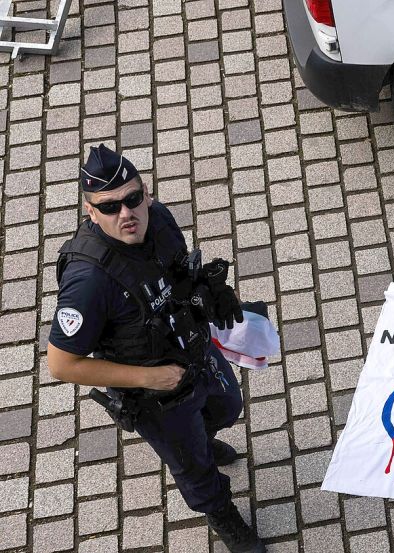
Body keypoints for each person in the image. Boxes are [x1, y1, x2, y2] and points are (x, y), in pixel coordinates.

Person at [46, 144, 266, 553]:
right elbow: (61, 364)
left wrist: (210, 294)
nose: (126, 213)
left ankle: (203, 435)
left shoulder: (159, 218)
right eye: (109, 207)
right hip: (155, 393)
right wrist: (148, 377)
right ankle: (221, 513)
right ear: (90, 213)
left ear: (145, 193)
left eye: (132, 198)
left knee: (226, 406)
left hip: (193, 348)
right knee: (194, 468)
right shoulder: (88, 282)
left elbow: (175, 274)